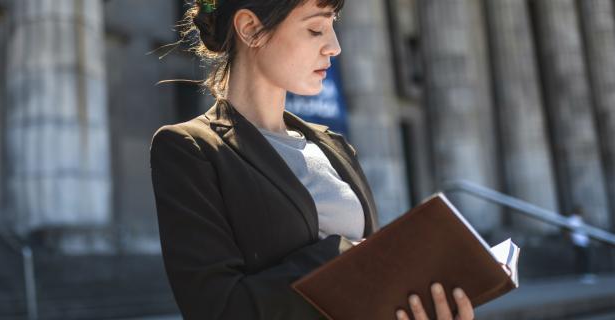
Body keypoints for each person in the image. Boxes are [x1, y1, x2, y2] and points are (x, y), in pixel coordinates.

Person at [149, 0, 475, 319]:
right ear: (250, 29)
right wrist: (348, 258)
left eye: (333, 27)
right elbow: (218, 309)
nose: (334, 47)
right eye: (316, 29)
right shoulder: (190, 148)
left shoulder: (335, 147)